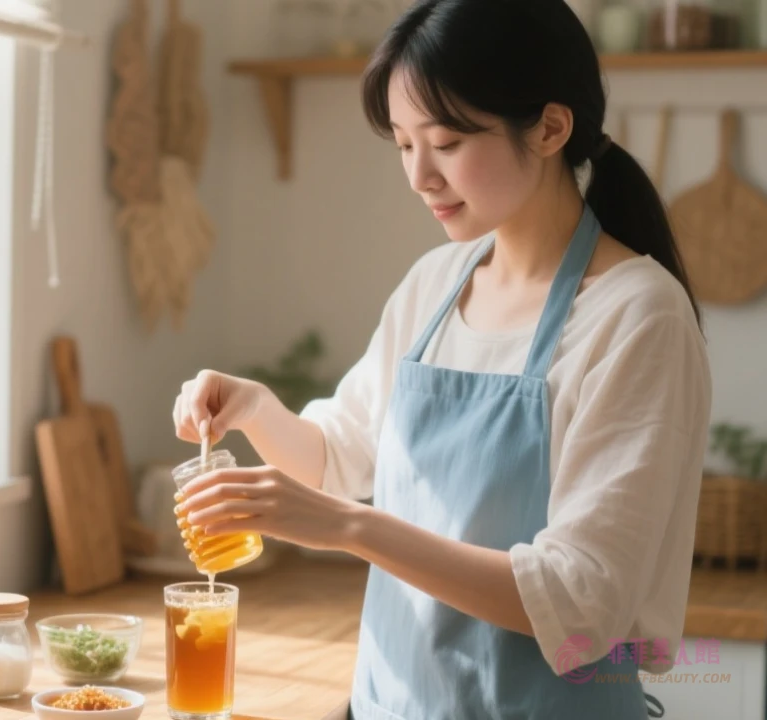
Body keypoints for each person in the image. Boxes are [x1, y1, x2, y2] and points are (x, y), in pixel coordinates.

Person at [170, 0, 712, 718]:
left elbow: (583, 605)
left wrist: (346, 526)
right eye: (402, 144)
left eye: (447, 142)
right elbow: (340, 455)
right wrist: (256, 410)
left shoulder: (637, 315)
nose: (420, 175)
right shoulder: (434, 284)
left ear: (551, 127)